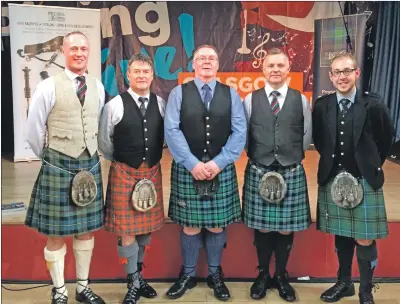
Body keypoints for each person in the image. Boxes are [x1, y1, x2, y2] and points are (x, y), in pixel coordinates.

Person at [25, 31, 106, 304]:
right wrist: (51, 158)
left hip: (90, 164)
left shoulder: (98, 86)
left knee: (86, 230)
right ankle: (59, 291)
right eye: (74, 48)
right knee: (56, 233)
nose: (79, 53)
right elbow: (33, 132)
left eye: (84, 48)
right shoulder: (48, 86)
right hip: (58, 165)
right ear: (63, 50)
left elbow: (98, 125)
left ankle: (83, 288)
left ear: (89, 52)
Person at [164, 44, 247, 301]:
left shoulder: (231, 94)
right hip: (188, 168)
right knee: (189, 225)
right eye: (202, 58)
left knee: (215, 224)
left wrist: (219, 163)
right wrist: (192, 163)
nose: (207, 62)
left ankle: (214, 274)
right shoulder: (179, 93)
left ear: (218, 64)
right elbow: (172, 130)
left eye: (212, 58)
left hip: (219, 168)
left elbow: (239, 131)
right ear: (194, 64)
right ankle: (188, 274)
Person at [313, 53, 394, 304]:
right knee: (342, 233)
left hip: (363, 179)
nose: (342, 77)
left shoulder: (374, 105)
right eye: (337, 72)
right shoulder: (322, 105)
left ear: (357, 73)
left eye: (347, 71)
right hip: (334, 178)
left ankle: (366, 291)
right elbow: (319, 140)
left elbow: (385, 140)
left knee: (364, 237)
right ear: (330, 76)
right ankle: (344, 283)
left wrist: (370, 166)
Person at [242, 48, 312, 302]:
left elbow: (306, 136)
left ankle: (281, 276)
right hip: (259, 169)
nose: (275, 70)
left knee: (285, 230)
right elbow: (245, 135)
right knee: (261, 226)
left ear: (288, 68)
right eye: (271, 65)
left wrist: (288, 159)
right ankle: (262, 275)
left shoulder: (301, 100)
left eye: (281, 65)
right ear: (263, 68)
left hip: (290, 169)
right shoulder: (249, 100)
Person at [98, 53, 165, 304]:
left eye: (146, 72)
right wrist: (125, 162)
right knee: (127, 232)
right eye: (136, 71)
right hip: (125, 173)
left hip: (152, 173)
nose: (141, 76)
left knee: (145, 231)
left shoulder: (161, 103)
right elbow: (105, 144)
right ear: (128, 75)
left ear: (152, 75)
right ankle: (133, 282)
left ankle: (138, 276)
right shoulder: (114, 105)